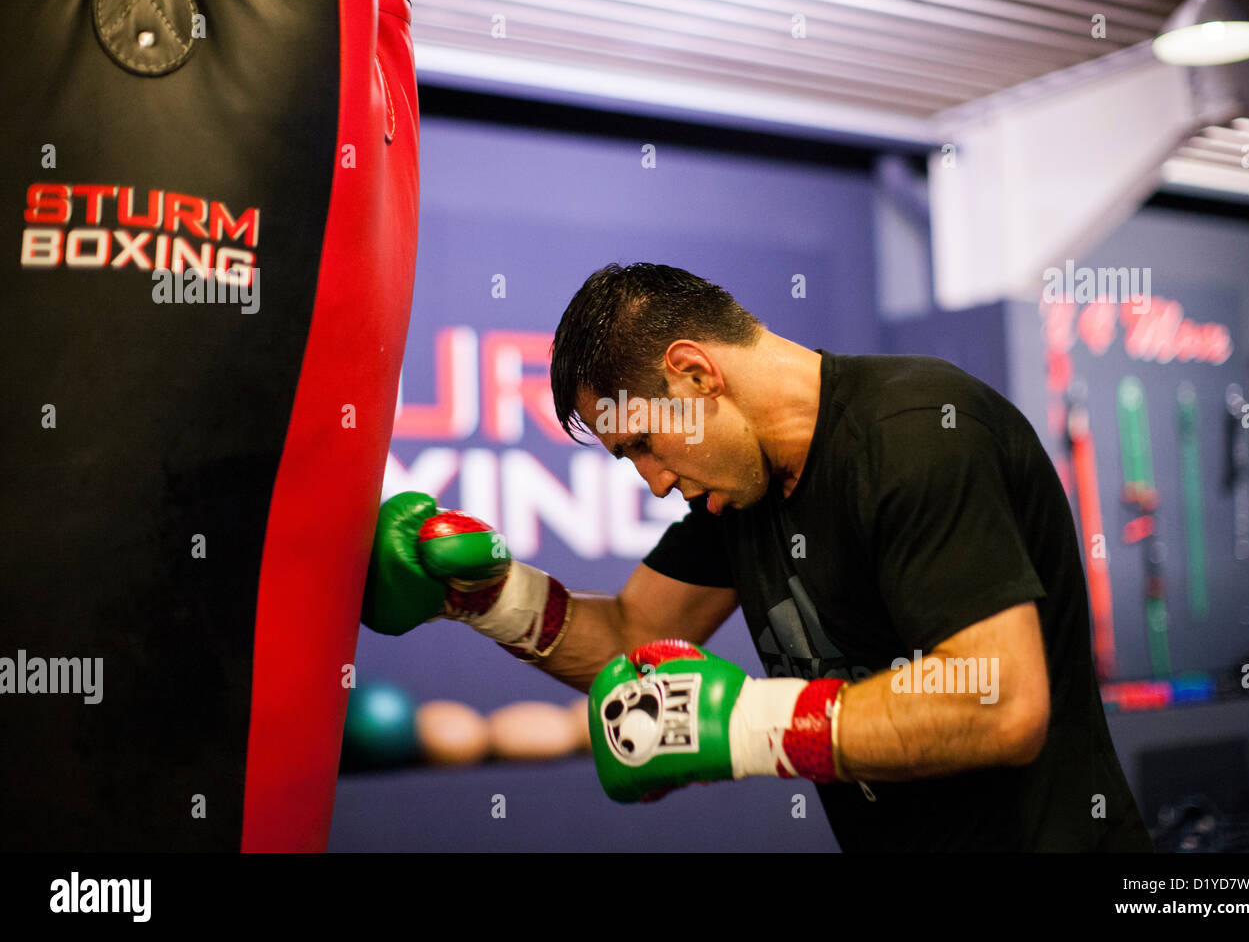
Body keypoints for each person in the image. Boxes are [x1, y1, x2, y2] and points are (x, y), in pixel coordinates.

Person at [363, 262, 1153, 852]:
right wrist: (485, 597)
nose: (656, 479)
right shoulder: (740, 490)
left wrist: (752, 724)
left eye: (643, 443)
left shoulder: (918, 432)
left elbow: (1000, 702)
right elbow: (631, 637)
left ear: (696, 372)